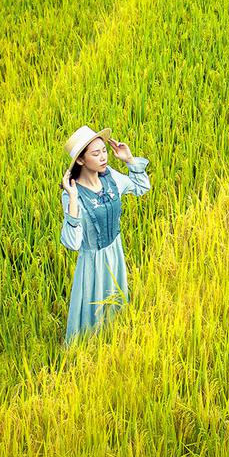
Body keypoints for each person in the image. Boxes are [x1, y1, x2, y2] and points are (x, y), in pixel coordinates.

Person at [59, 125, 150, 343]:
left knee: (116, 308)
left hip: (115, 253)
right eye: (95, 153)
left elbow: (141, 188)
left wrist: (129, 160)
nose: (103, 157)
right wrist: (73, 199)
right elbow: (72, 243)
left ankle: (116, 341)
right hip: (92, 262)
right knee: (92, 318)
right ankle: (89, 351)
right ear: (81, 160)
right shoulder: (73, 195)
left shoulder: (111, 177)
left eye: (104, 151)